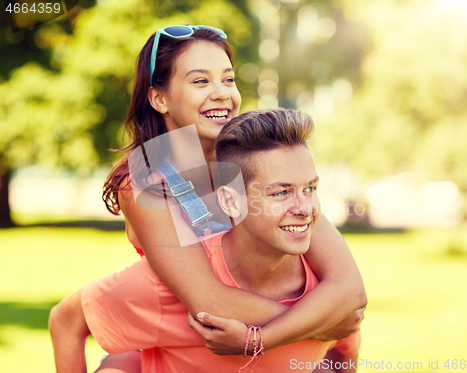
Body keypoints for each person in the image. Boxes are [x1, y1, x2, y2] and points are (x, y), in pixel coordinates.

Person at [48, 25, 366, 373]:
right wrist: (321, 325)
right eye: (201, 81)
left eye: (228, 80)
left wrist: (301, 330)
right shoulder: (144, 179)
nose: (221, 93)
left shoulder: (253, 157)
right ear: (159, 98)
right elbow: (209, 300)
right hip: (172, 327)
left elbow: (345, 283)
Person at [82, 108, 361, 373]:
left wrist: (257, 340)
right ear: (229, 200)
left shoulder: (326, 291)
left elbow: (346, 342)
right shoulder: (177, 282)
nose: (305, 209)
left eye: (311, 188)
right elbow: (69, 320)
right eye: (280, 193)